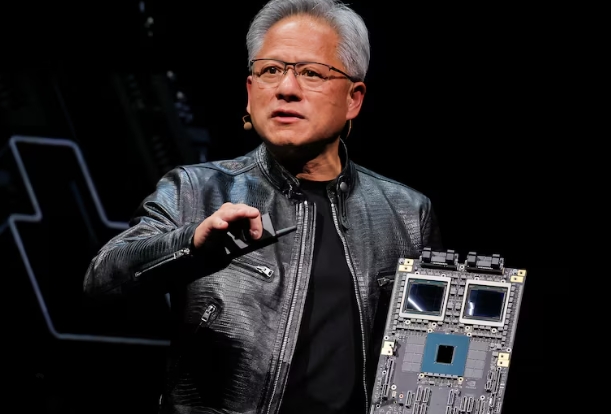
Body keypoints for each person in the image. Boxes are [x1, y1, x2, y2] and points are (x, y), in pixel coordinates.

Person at [83, 0, 442, 413]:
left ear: (353, 99)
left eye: (311, 73)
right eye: (270, 70)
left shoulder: (408, 214)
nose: (286, 88)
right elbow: (101, 284)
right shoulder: (195, 190)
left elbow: (423, 363)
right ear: (251, 91)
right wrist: (192, 246)